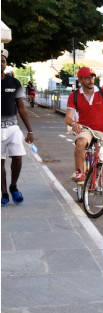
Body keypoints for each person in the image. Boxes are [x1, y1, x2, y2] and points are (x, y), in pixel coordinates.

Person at [65, 67, 103, 205]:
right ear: (80, 80)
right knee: (80, 143)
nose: (91, 80)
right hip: (86, 129)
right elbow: (68, 117)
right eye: (87, 78)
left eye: (92, 77)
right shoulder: (74, 95)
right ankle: (79, 172)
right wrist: (74, 123)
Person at [1, 49, 34, 207]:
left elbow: (22, 108)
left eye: (3, 61)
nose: (1, 63)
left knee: (18, 157)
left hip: (12, 127)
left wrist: (30, 130)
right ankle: (4, 193)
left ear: (5, 64)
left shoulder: (14, 83)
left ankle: (13, 186)